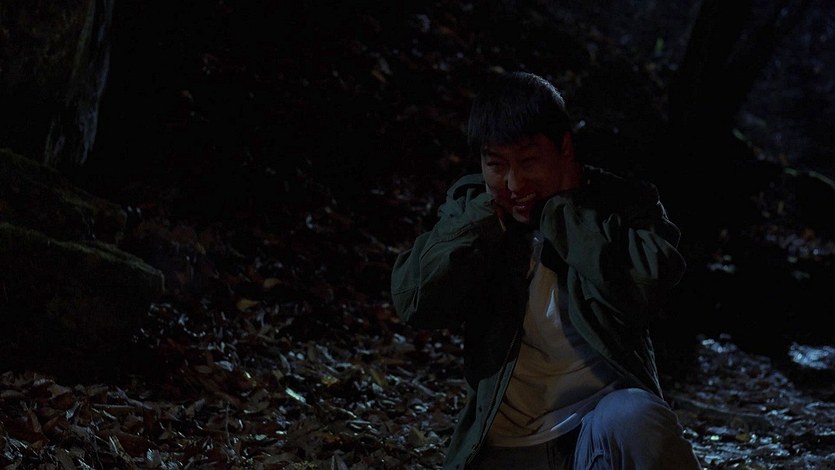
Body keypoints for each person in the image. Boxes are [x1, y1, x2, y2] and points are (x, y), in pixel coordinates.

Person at [390, 71, 703, 470]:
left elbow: (647, 289)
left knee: (638, 417)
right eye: (496, 164)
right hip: (506, 445)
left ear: (564, 148)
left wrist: (563, 211)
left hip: (596, 436)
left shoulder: (623, 204)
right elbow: (414, 302)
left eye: (529, 161)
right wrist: (482, 223)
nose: (514, 182)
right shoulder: (473, 211)